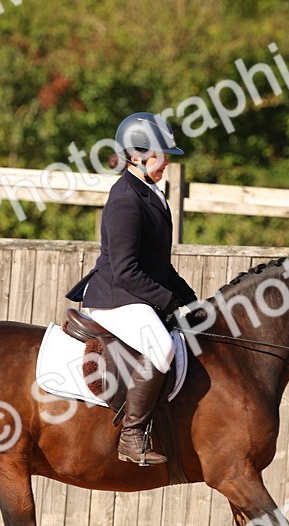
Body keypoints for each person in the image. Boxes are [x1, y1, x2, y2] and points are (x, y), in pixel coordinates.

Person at [65, 112, 198, 466]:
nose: (167, 161)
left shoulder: (152, 195)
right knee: (162, 346)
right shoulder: (125, 199)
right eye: (161, 154)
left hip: (134, 295)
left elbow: (160, 266)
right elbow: (125, 270)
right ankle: (132, 435)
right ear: (137, 154)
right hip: (114, 299)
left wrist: (190, 299)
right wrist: (166, 301)